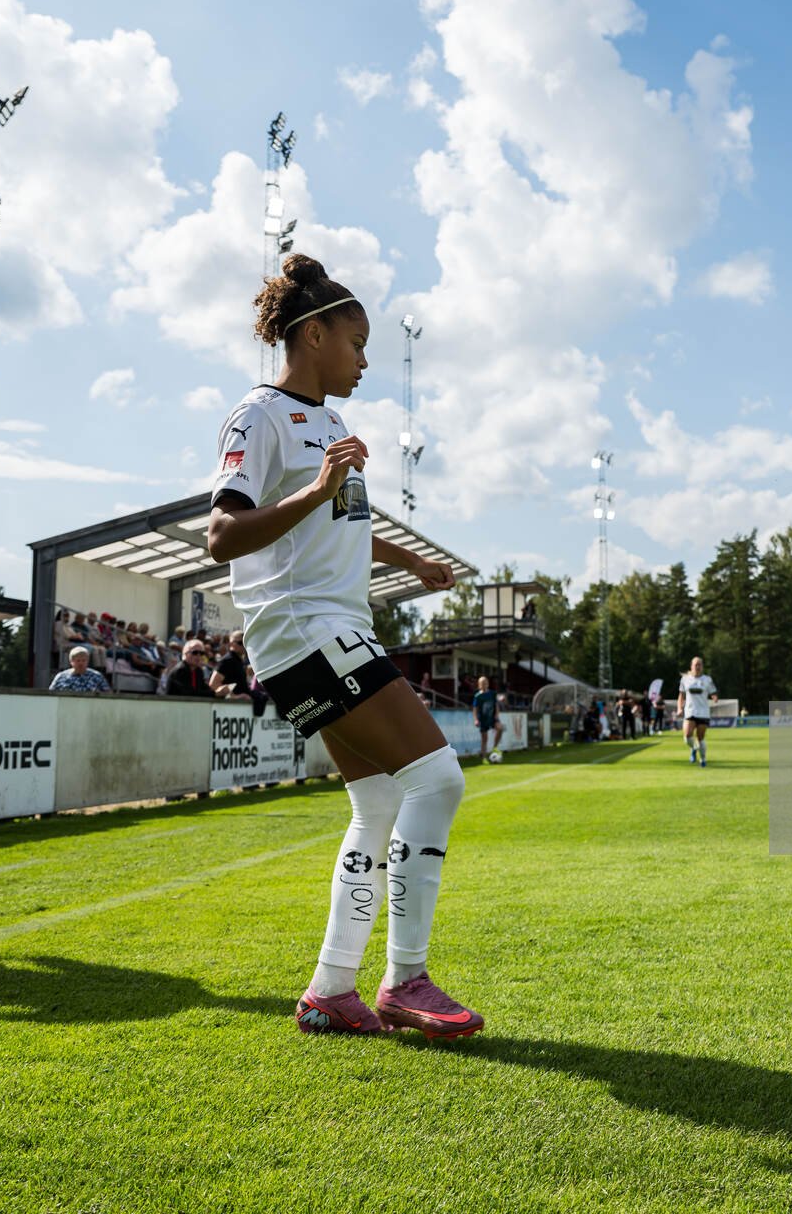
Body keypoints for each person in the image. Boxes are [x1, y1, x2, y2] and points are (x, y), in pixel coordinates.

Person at [206, 252, 476, 1039]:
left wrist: (407, 560)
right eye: (356, 342)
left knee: (381, 799)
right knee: (439, 781)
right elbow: (222, 534)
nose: (364, 360)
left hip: (328, 626)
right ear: (313, 334)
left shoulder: (328, 424)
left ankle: (331, 989)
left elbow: (339, 523)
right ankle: (407, 980)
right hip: (305, 627)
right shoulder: (257, 415)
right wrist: (315, 490)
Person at [677, 657, 718, 766]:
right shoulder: (685, 679)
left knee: (700, 738)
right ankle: (694, 749)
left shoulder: (707, 679)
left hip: (703, 712)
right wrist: (679, 708)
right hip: (690, 711)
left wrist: (714, 697)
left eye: (700, 664)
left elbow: (713, 692)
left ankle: (703, 760)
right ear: (691, 666)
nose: (698, 667)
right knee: (687, 736)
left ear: (702, 667)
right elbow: (681, 695)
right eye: (696, 664)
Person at [472, 675, 502, 760]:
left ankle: (495, 747)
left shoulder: (492, 693)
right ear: (479, 685)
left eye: (485, 683)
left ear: (488, 684)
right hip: (483, 719)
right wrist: (476, 720)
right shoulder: (477, 696)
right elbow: (475, 709)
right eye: (482, 683)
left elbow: (496, 705)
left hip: (492, 717)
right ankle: (484, 756)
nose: (484, 685)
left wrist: (496, 715)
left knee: (500, 728)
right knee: (484, 739)